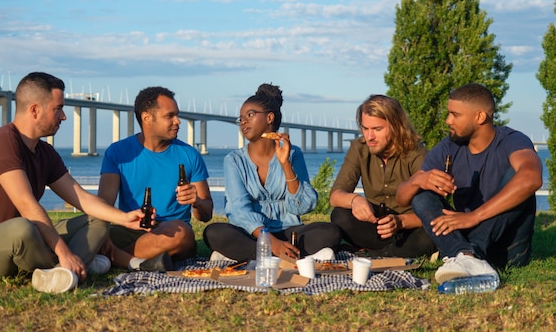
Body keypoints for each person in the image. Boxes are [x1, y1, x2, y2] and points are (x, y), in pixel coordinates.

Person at [0, 72, 150, 294]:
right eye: (58, 109)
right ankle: (74, 263)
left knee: (98, 219)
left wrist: (124, 218)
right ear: (35, 110)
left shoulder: (45, 152)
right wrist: (64, 251)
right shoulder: (3, 141)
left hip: (29, 244)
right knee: (22, 228)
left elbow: (81, 197)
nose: (64, 116)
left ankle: (62, 273)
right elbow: (27, 205)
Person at [396, 83, 543, 284]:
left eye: (455, 115)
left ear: (480, 117)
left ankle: (467, 254)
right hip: (464, 239)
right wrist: (417, 180)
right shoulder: (449, 145)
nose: (448, 121)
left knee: (517, 178)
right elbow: (402, 198)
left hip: (506, 250)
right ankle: (465, 255)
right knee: (421, 193)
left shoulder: (512, 140)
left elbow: (532, 178)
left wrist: (474, 216)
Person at [203, 84, 342, 262]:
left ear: (269, 117)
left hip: (288, 230)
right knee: (214, 233)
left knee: (331, 232)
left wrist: (285, 164)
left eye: (250, 115)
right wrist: (271, 244)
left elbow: (303, 206)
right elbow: (238, 210)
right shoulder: (233, 160)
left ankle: (246, 257)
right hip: (252, 233)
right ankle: (291, 256)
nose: (243, 121)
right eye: (241, 118)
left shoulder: (293, 154)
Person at [97, 86, 213, 272]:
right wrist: (101, 235)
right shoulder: (118, 152)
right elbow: (103, 205)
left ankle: (111, 259)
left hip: (172, 231)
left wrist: (197, 202)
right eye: (170, 116)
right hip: (130, 228)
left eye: (177, 115)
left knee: (182, 234)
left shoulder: (190, 155)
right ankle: (138, 261)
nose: (178, 121)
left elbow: (206, 215)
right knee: (91, 232)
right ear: (147, 118)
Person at [329, 95, 436, 258]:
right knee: (339, 215)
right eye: (365, 129)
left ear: (396, 126)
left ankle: (374, 254)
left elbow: (433, 212)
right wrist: (355, 200)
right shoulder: (359, 148)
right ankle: (389, 253)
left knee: (431, 233)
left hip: (408, 227)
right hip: (375, 226)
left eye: (377, 129)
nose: (369, 137)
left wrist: (400, 222)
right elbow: (336, 195)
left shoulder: (416, 153)